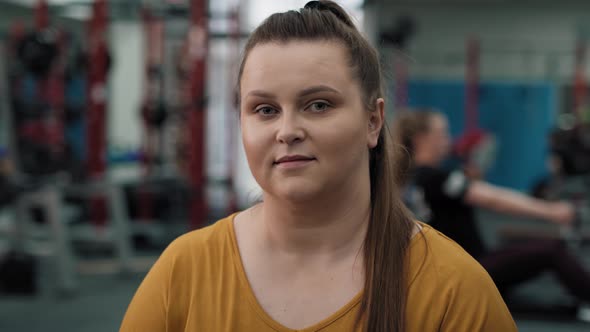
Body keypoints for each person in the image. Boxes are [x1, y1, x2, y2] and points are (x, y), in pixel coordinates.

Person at [120, 2, 516, 331]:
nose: (287, 130)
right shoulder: (184, 270)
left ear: (373, 121)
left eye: (319, 104)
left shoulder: (453, 288)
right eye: (265, 109)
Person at [394, 110, 590, 316]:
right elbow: (492, 199)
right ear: (421, 139)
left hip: (456, 268)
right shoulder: (435, 178)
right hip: (469, 269)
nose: (448, 140)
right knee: (552, 250)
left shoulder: (411, 179)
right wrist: (552, 211)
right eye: (442, 134)